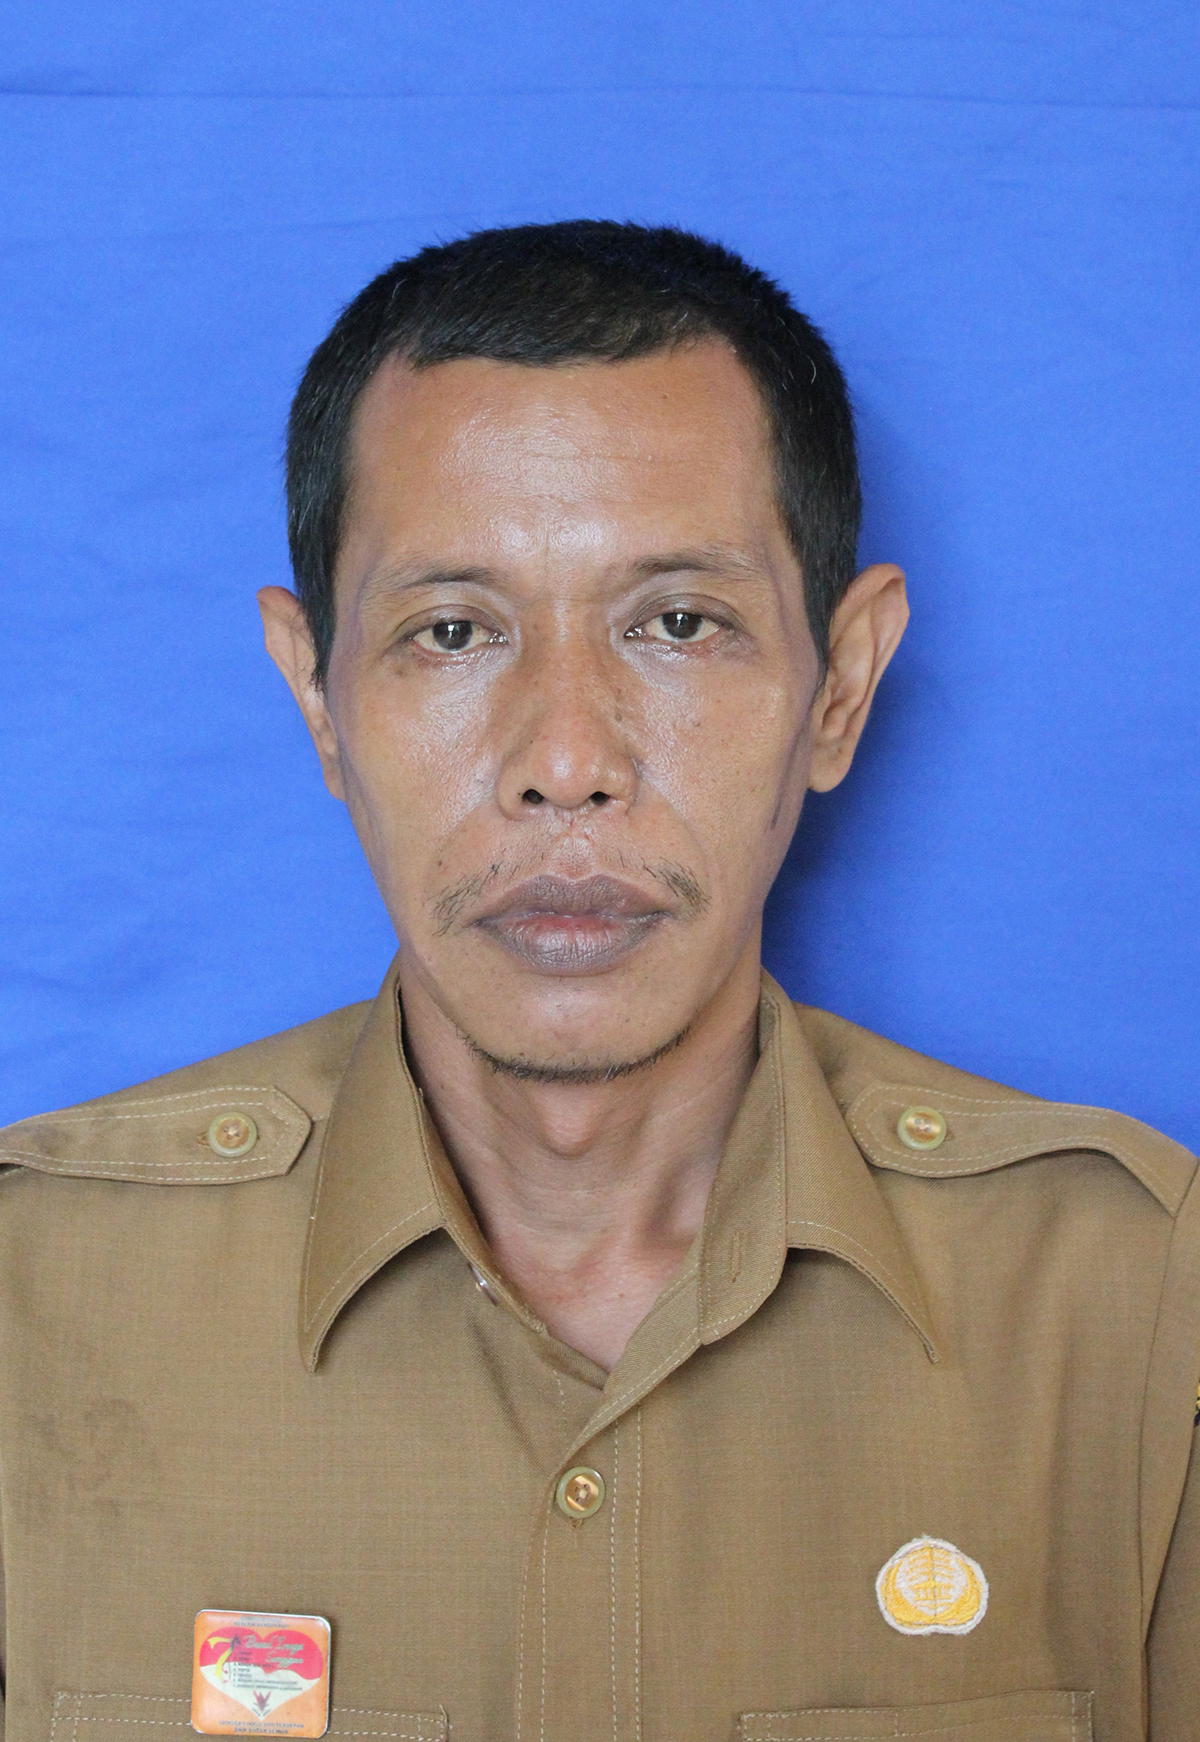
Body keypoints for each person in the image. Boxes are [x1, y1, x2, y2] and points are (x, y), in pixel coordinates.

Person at [0, 221, 1195, 1742]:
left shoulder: (1134, 1299)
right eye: (452, 631)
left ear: (840, 688)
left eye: (679, 624)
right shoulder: (31, 1294)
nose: (567, 762)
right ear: (317, 697)